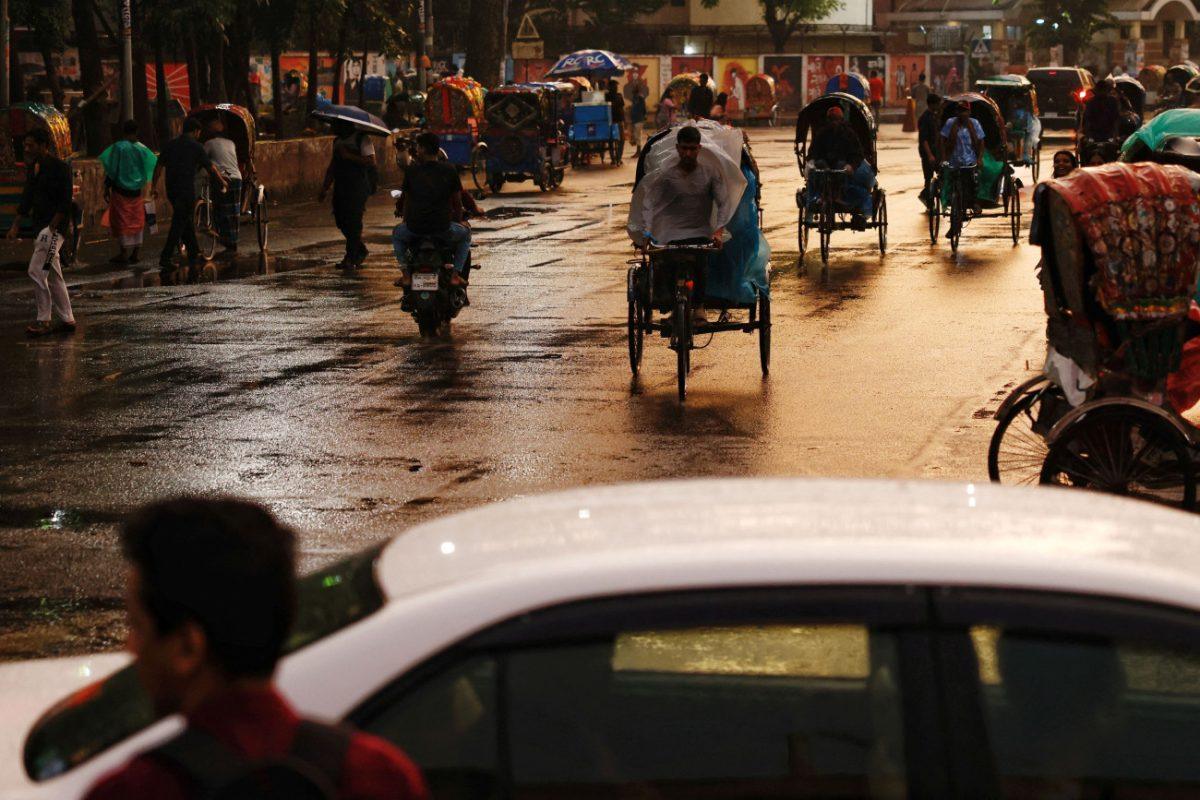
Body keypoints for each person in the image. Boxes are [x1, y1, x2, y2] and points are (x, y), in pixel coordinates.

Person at [82, 497, 429, 800]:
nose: (130, 648)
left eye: (136, 627)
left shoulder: (136, 791)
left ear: (188, 648)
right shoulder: (379, 776)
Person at [628, 125, 730, 322]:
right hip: (669, 234)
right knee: (665, 266)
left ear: (699, 148)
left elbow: (723, 203)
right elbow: (649, 203)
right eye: (684, 148)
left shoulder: (710, 173)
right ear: (677, 148)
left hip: (699, 232)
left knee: (701, 264)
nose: (688, 153)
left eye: (692, 149)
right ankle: (674, 305)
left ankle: (699, 306)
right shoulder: (666, 174)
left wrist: (718, 230)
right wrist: (646, 233)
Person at [7, 128, 76, 337]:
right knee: (52, 273)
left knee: (36, 270)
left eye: (31, 145)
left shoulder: (61, 168)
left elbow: (65, 202)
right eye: (25, 145)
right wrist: (16, 225)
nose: (27, 149)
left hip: (53, 230)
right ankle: (67, 319)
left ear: (44, 145)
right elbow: (28, 197)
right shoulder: (34, 168)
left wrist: (52, 228)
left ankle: (44, 319)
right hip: (42, 228)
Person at [392, 132, 470, 308]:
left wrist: (406, 220)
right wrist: (459, 222)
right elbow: (457, 203)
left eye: (418, 146)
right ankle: (456, 274)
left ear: (424, 148)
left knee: (397, 235)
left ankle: (405, 274)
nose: (416, 150)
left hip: (414, 228)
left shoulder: (412, 171)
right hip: (442, 228)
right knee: (466, 236)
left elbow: (406, 201)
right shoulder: (449, 170)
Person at [153, 118, 228, 273]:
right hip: (186, 189)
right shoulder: (196, 147)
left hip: (172, 190)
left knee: (185, 219)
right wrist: (222, 182)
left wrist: (154, 187)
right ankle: (165, 257)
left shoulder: (170, 145)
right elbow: (210, 168)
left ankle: (194, 252)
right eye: (199, 132)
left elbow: (158, 167)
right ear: (195, 131)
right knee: (179, 223)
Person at [318, 120, 376, 270]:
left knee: (354, 222)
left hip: (357, 187)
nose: (332, 127)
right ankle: (360, 249)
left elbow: (371, 161)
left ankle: (351, 257)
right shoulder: (337, 141)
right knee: (341, 220)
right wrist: (325, 188)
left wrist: (349, 155)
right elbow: (333, 166)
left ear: (344, 125)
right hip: (341, 187)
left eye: (335, 125)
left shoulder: (362, 139)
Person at [99, 119, 157, 265]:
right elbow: (151, 163)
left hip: (120, 191)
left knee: (121, 221)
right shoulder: (142, 148)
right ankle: (135, 253)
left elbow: (112, 169)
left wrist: (107, 187)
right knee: (137, 221)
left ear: (123, 131)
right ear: (136, 131)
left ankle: (124, 252)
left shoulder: (119, 147)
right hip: (136, 191)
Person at [806, 105, 875, 228]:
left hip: (843, 169)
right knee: (813, 176)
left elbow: (857, 154)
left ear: (842, 120)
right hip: (825, 169)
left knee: (843, 170)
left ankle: (842, 197)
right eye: (832, 120)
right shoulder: (821, 134)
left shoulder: (849, 134)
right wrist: (814, 162)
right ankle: (812, 208)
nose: (834, 123)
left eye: (837, 120)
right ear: (828, 120)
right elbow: (813, 152)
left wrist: (851, 166)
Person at [940, 100, 985, 230]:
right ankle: (952, 207)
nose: (962, 113)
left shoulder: (974, 123)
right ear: (956, 112)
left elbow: (981, 142)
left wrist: (980, 158)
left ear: (969, 112)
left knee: (972, 182)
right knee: (950, 184)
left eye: (964, 111)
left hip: (970, 160)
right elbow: (942, 141)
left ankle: (974, 202)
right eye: (960, 111)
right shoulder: (950, 123)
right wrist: (943, 159)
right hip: (953, 160)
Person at [202, 117, 242, 253]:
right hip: (237, 177)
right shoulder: (231, 143)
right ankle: (233, 240)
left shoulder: (209, 144)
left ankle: (225, 238)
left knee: (222, 209)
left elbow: (203, 160)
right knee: (233, 212)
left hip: (222, 178)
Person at [917, 94, 943, 206]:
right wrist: (929, 155)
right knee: (928, 177)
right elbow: (924, 140)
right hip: (928, 153)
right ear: (932, 104)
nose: (939, 106)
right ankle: (928, 199)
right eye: (938, 104)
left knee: (941, 174)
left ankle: (929, 195)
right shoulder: (925, 118)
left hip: (936, 151)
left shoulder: (935, 117)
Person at [1081, 78, 1120, 145]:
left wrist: (1115, 137)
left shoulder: (1112, 102)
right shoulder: (1091, 102)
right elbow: (1087, 121)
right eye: (1100, 90)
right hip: (1094, 137)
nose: (1101, 93)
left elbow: (1116, 120)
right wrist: (1088, 138)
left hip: (1108, 136)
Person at [606, 78, 625, 159]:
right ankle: (617, 158)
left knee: (613, 140)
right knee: (620, 140)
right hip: (614, 121)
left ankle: (615, 158)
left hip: (615, 121)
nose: (616, 88)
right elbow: (622, 107)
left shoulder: (607, 96)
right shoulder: (618, 96)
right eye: (615, 86)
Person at [630, 89, 647, 155]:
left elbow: (643, 109)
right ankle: (638, 151)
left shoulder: (639, 98)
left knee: (638, 135)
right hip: (636, 119)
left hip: (639, 119)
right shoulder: (636, 99)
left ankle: (638, 151)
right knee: (637, 135)